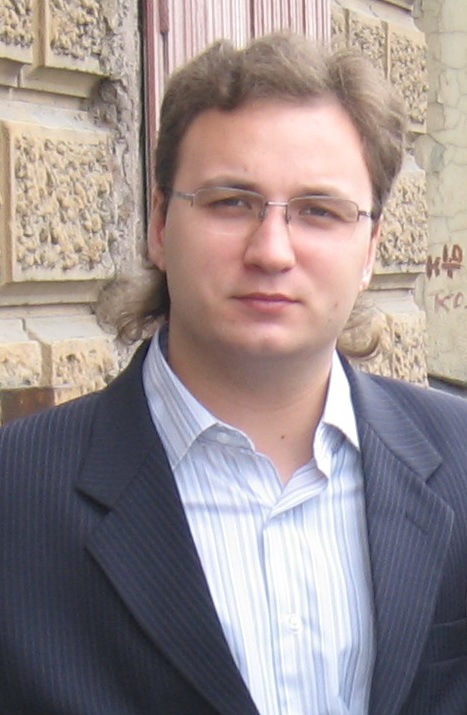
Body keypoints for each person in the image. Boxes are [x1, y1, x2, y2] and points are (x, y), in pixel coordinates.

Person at [0, 32, 466, 715]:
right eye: (230, 202)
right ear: (160, 225)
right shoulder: (15, 496)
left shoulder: (460, 460)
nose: (271, 251)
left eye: (318, 211)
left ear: (370, 248)